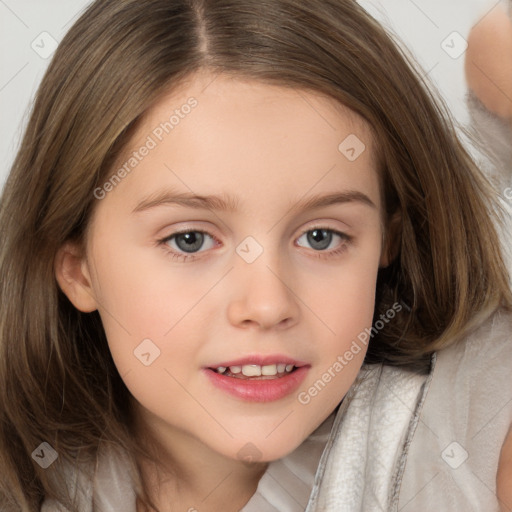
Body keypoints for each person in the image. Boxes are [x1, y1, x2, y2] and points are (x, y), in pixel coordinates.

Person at [0, 0, 510, 511]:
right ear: (77, 269)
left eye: (320, 237)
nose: (267, 305)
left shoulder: (481, 439)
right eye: (190, 240)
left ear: (386, 240)